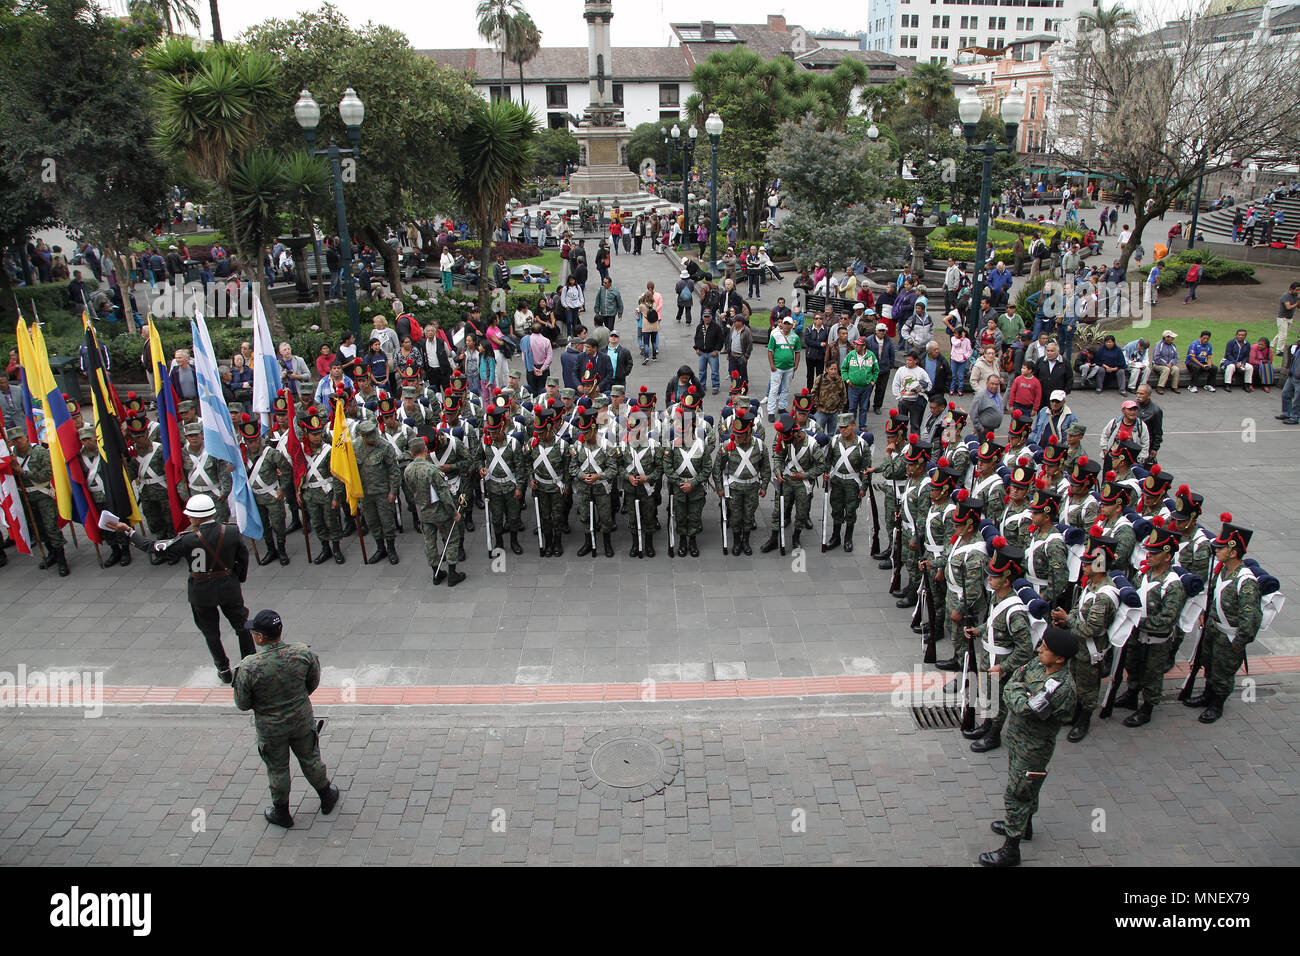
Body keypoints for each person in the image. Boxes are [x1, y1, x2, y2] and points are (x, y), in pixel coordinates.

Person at [115, 494, 252, 683]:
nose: (188, 518)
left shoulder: (186, 540)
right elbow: (243, 558)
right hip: (229, 587)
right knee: (242, 627)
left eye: (190, 516)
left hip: (201, 592)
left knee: (211, 633)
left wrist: (130, 533)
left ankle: (223, 669)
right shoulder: (231, 532)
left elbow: (153, 547)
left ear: (196, 517)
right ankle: (250, 663)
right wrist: (239, 579)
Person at [978, 626, 1079, 867]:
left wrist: (1017, 693)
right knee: (1024, 787)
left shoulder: (1060, 687)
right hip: (1017, 739)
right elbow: (1015, 679)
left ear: (1060, 658)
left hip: (1034, 748)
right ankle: (1024, 826)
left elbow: (1024, 708)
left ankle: (1011, 850)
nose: (1040, 649)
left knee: (1017, 794)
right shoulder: (1039, 664)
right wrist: (1019, 692)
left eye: (1046, 648)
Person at [232, 609, 340, 828]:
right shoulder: (302, 653)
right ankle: (326, 796)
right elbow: (313, 682)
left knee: (278, 768)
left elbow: (242, 704)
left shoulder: (249, 667)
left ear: (260, 637)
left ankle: (282, 813)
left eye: (254, 633)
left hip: (271, 729)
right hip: (301, 719)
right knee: (310, 758)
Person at [1182, 514, 1262, 724]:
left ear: (1233, 552)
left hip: (1229, 637)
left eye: (1221, 548)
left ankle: (1217, 703)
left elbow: (1250, 618)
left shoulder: (1246, 583)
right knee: (1209, 664)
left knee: (1223, 672)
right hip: (1213, 629)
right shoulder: (1222, 570)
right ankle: (1208, 694)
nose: (1216, 550)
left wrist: (1239, 643)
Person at [403, 436, 467, 587]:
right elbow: (444, 495)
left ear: (412, 453)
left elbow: (410, 491)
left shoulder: (408, 470)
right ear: (425, 450)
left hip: (423, 512)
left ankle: (436, 573)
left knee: (430, 543)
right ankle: (452, 573)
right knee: (451, 540)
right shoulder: (433, 470)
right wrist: (454, 513)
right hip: (441, 513)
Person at [766, 316, 801, 422]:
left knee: (786, 389)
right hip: (777, 367)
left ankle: (782, 407)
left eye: (788, 324)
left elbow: (798, 351)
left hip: (789, 368)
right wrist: (772, 364)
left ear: (791, 325)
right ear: (782, 324)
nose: (786, 325)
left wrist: (796, 365)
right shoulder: (775, 335)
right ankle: (771, 412)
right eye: (785, 323)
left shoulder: (795, 337)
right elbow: (770, 350)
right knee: (774, 389)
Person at [864, 322, 896, 413]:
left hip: (884, 370)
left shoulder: (888, 341)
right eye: (880, 331)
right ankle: (865, 405)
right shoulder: (869, 340)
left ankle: (877, 406)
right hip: (871, 369)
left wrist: (890, 365)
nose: (882, 332)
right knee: (868, 388)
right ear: (876, 331)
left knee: (881, 390)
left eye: (883, 331)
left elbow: (892, 354)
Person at [1220, 328, 1254, 392]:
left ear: (1245, 336)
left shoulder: (1247, 344)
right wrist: (1235, 363)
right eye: (1239, 335)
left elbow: (1246, 356)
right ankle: (1227, 384)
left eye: (1243, 335)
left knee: (1250, 367)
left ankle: (1246, 384)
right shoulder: (1231, 342)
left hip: (1240, 362)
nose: (1241, 336)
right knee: (1231, 366)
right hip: (1228, 361)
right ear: (1236, 335)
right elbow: (1228, 354)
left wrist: (1243, 363)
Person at [726, 315, 753, 390]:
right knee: (733, 374)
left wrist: (746, 357)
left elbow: (750, 345)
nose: (734, 322)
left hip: (741, 356)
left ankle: (744, 388)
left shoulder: (747, 331)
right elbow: (729, 341)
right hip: (732, 355)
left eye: (735, 321)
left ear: (741, 322)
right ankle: (735, 387)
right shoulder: (732, 328)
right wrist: (729, 353)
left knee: (743, 374)